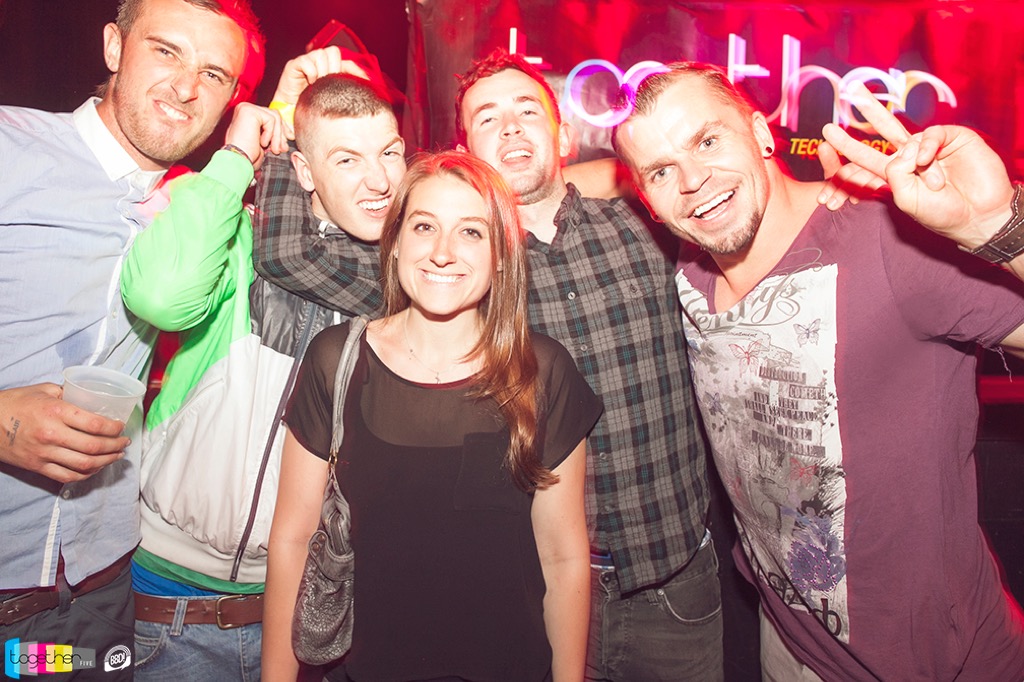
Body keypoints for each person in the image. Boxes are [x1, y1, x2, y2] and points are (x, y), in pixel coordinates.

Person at [255, 49, 723, 682]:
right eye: (487, 118)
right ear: (465, 149)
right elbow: (284, 252)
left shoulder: (644, 223)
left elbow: (719, 194)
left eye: (527, 110)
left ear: (563, 132)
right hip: (528, 590)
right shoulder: (445, 264)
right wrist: (280, 120)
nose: (510, 128)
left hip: (672, 581)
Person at [613, 63, 1024, 680]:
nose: (693, 181)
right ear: (647, 199)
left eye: (708, 140)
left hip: (937, 661)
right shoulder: (690, 273)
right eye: (662, 172)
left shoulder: (890, 241)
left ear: (761, 133)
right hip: (789, 642)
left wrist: (1000, 228)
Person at [263, 150, 601, 682]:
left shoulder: (542, 372)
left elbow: (563, 559)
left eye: (471, 232)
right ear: (395, 241)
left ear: (501, 255)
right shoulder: (337, 360)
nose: (443, 252)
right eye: (424, 226)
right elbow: (292, 540)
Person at [0, 0, 264, 674]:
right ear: (114, 46)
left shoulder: (198, 207)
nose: (186, 87)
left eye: (214, 74)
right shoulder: (11, 146)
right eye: (166, 51)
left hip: (96, 595)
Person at [120, 54, 399, 678]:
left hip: (309, 611)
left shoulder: (407, 286)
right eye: (347, 159)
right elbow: (161, 295)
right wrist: (240, 152)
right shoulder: (239, 237)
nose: (379, 180)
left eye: (390, 152)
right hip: (169, 606)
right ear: (303, 169)